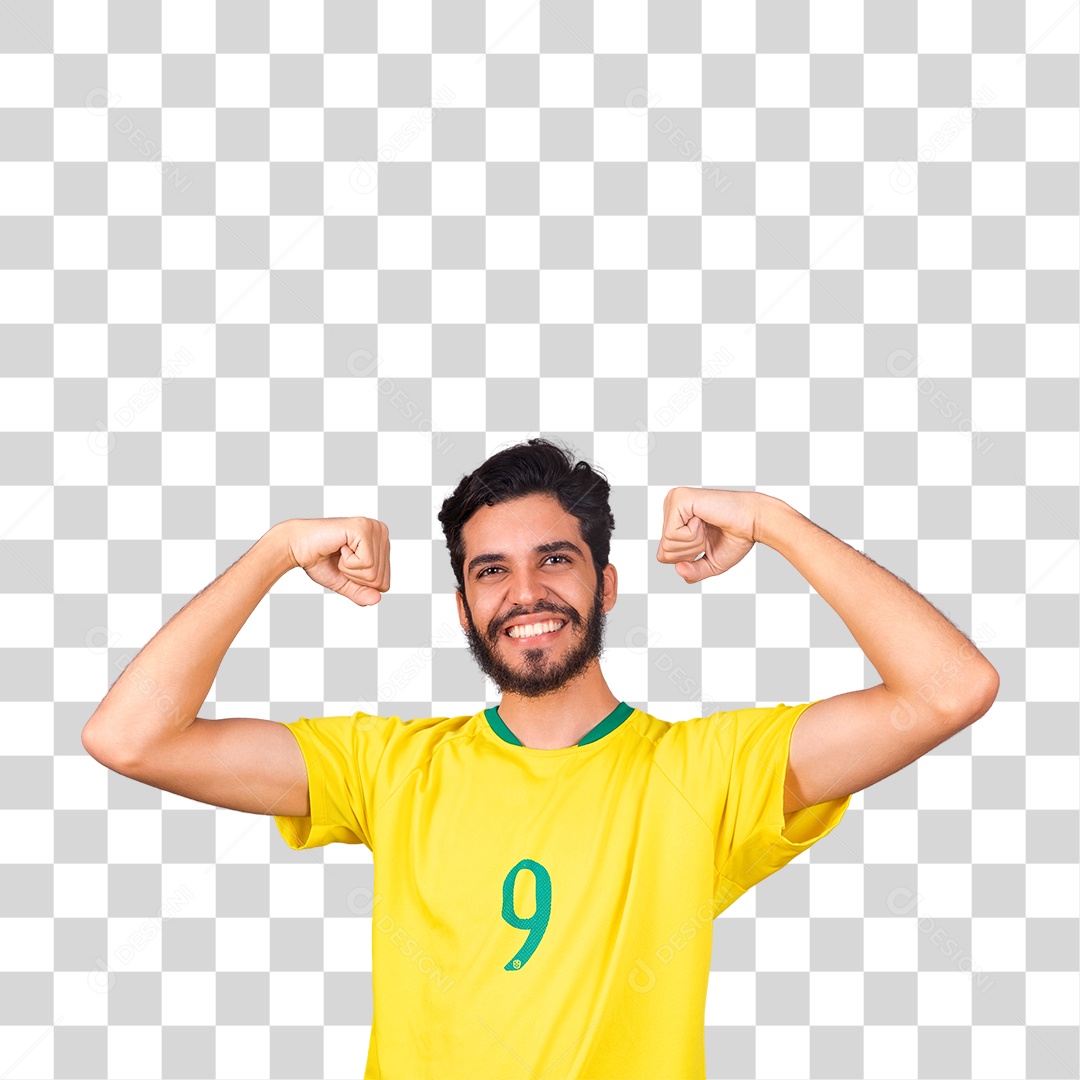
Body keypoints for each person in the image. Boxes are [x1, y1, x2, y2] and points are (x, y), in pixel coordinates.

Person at [83, 437, 999, 1079]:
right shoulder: (393, 768)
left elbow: (946, 689)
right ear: (463, 606)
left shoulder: (707, 772)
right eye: (491, 570)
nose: (526, 593)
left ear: (604, 584)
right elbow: (131, 737)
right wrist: (276, 551)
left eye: (555, 561)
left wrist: (773, 521)